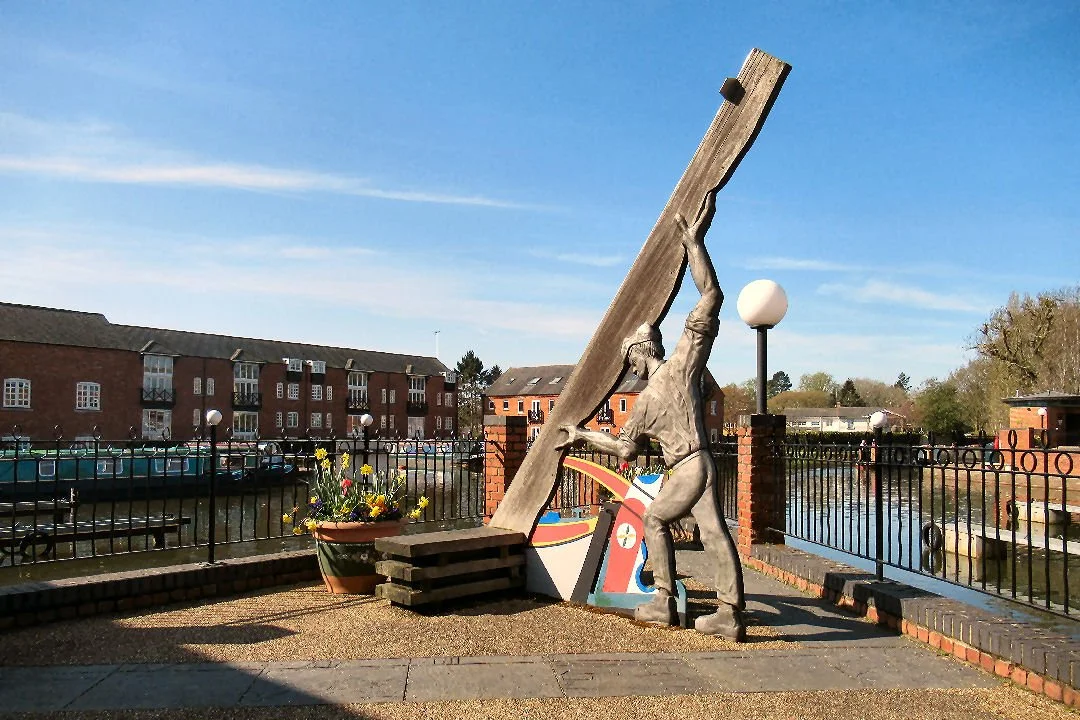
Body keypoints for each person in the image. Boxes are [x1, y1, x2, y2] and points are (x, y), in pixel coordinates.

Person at [556, 190, 746, 641]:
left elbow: (623, 450)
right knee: (714, 532)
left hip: (686, 466)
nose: (631, 369)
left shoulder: (650, 395)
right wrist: (695, 245)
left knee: (655, 519)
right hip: (703, 461)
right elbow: (711, 294)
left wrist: (581, 435)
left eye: (630, 360)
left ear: (641, 351)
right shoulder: (681, 368)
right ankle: (729, 613)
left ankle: (663, 600)